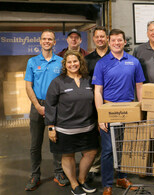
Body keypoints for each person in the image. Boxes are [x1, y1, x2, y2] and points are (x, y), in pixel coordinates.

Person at [92, 29, 145, 195]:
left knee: (126, 147)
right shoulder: (102, 63)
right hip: (109, 109)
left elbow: (139, 86)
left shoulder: (134, 62)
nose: (116, 43)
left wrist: (141, 110)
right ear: (109, 41)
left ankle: (122, 177)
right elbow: (98, 91)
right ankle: (107, 184)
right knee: (108, 149)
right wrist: (101, 116)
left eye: (119, 40)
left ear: (124, 42)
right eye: (113, 40)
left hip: (129, 109)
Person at [45, 50, 98, 195]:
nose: (72, 64)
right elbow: (50, 105)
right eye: (69, 62)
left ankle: (81, 179)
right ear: (65, 64)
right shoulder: (58, 82)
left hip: (88, 127)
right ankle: (74, 185)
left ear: (80, 62)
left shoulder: (88, 79)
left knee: (91, 152)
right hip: (65, 129)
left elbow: (95, 101)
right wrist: (51, 127)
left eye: (75, 61)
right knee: (68, 156)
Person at [24, 29, 69, 191]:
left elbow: (65, 84)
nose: (47, 41)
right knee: (35, 144)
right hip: (37, 104)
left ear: (55, 42)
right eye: (44, 39)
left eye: (50, 39)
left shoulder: (61, 61)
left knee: (56, 140)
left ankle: (59, 173)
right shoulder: (32, 61)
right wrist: (37, 106)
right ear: (40, 41)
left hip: (56, 105)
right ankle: (35, 175)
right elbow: (28, 86)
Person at [84, 26, 110, 182]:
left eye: (102, 36)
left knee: (112, 135)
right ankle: (94, 167)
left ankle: (113, 166)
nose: (100, 39)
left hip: (113, 101)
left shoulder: (114, 55)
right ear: (93, 39)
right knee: (94, 136)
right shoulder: (88, 60)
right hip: (93, 102)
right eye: (97, 37)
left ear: (107, 38)